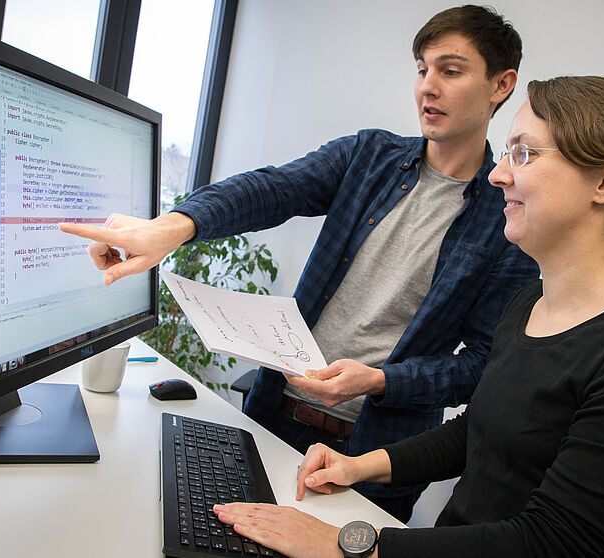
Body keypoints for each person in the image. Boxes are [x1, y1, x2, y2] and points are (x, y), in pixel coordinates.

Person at [59, 5, 539, 522]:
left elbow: (481, 365)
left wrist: (380, 380)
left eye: (450, 70)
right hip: (273, 413)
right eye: (421, 69)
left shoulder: (507, 216)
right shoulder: (369, 156)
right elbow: (273, 188)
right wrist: (173, 227)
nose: (427, 87)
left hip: (375, 456)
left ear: (500, 85)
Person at [209, 75, 604, 558]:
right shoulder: (529, 303)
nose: (498, 174)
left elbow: (552, 541)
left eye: (525, 154)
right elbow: (479, 432)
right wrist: (359, 466)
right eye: (507, 151)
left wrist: (342, 545)